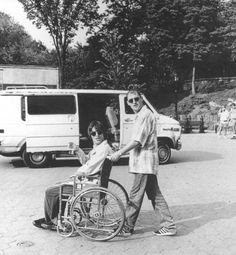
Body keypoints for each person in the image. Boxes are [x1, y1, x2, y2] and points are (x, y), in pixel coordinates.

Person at [110, 87, 176, 236]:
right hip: (146, 163)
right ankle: (169, 225)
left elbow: (138, 141)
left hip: (144, 164)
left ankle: (127, 227)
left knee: (135, 196)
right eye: (131, 100)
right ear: (127, 102)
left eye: (136, 99)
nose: (134, 102)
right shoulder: (141, 115)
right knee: (155, 195)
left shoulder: (145, 115)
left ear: (141, 99)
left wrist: (120, 153)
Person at [33, 120, 113, 230]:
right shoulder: (100, 147)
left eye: (99, 132)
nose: (97, 135)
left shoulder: (103, 149)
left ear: (104, 133)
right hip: (88, 181)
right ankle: (55, 218)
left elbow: (88, 168)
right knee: (59, 187)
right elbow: (86, 161)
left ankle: (52, 220)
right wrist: (77, 149)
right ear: (90, 135)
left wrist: (75, 175)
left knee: (50, 191)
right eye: (94, 133)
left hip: (87, 183)